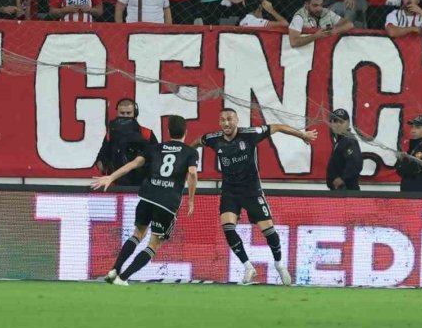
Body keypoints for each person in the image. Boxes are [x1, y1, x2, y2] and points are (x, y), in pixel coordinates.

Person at [190, 107, 317, 286]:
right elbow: (197, 142)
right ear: (219, 123)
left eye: (230, 119)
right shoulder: (213, 139)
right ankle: (248, 267)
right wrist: (185, 154)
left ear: (237, 121)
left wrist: (302, 135)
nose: (226, 123)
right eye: (223, 120)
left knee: (269, 232)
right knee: (228, 228)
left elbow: (278, 127)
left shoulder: (250, 134)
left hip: (251, 191)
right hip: (230, 191)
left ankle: (279, 264)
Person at [91, 114, 198, 286]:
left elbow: (133, 164)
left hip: (147, 196)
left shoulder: (155, 148)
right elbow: (192, 173)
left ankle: (115, 269)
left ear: (168, 131)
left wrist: (110, 177)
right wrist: (191, 199)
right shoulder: (190, 152)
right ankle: (123, 278)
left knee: (137, 234)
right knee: (153, 245)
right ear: (186, 131)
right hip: (167, 202)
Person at [95, 98, 155, 185]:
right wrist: (105, 165)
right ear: (117, 113)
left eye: (128, 113)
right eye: (122, 113)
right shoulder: (110, 134)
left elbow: (156, 158)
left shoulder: (147, 134)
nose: (125, 116)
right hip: (117, 185)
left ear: (135, 114)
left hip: (141, 186)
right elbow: (101, 158)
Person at [288, 0, 354, 48]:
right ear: (306, 4)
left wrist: (335, 30)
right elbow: (294, 42)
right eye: (315, 5)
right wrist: (315, 36)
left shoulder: (326, 12)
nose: (319, 9)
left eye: (321, 5)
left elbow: (350, 24)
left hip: (325, 51)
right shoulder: (299, 17)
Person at [395, 114, 422, 193]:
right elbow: (399, 171)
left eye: (417, 128)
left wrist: (403, 160)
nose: (413, 130)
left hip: (419, 196)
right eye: (412, 127)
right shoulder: (415, 147)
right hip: (409, 194)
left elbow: (408, 170)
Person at [325, 109, 363, 191]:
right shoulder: (340, 141)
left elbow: (356, 162)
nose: (338, 124)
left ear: (348, 124)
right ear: (331, 123)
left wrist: (342, 178)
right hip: (340, 192)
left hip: (348, 192)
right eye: (335, 121)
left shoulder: (349, 140)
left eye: (341, 121)